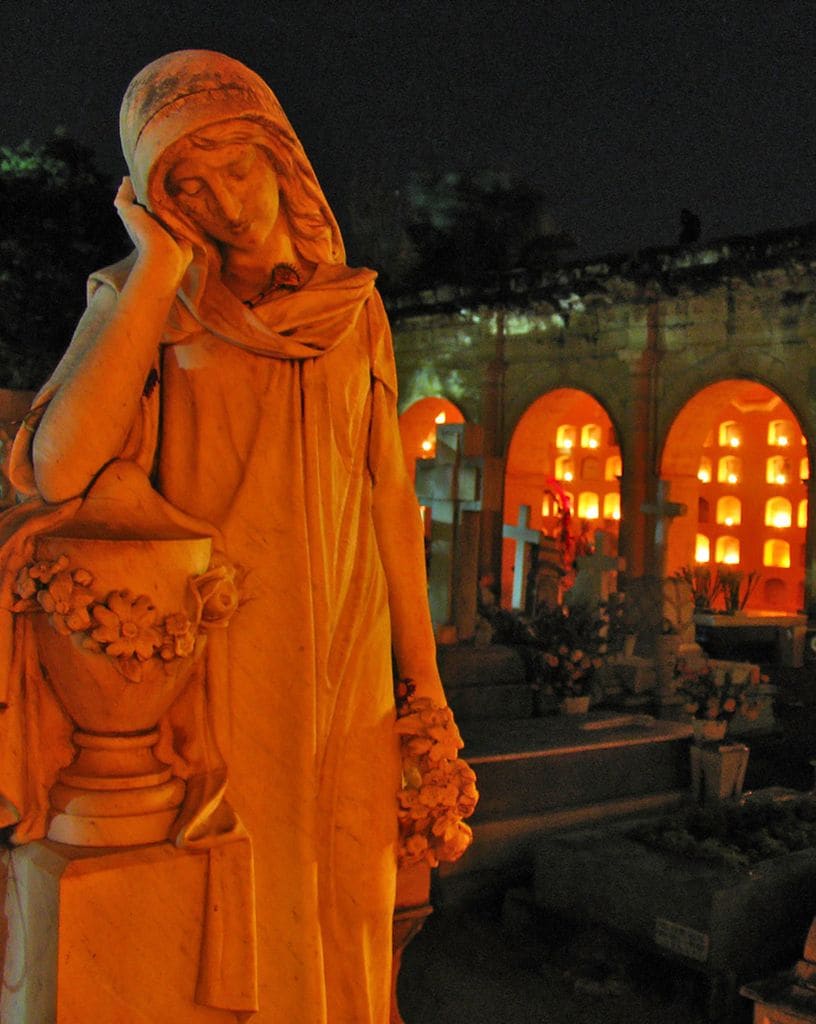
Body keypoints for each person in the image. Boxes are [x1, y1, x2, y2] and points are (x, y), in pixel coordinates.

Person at [0, 50, 473, 1022]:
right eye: (188, 183)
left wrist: (423, 690)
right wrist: (154, 272)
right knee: (250, 925)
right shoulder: (153, 305)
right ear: (157, 199)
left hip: (347, 672)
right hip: (224, 670)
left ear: (279, 160)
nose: (222, 200)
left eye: (235, 166)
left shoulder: (355, 309)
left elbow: (390, 501)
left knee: (354, 914)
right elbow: (57, 466)